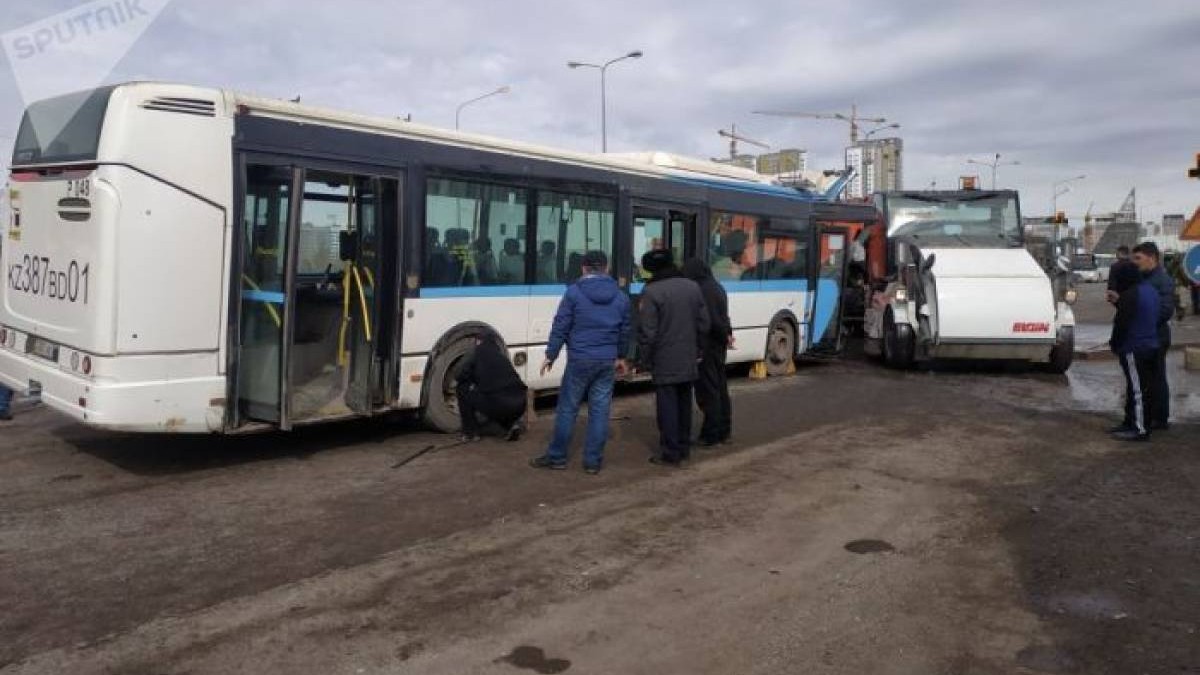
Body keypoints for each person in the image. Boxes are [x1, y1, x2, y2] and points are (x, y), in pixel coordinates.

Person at [530, 250, 631, 475]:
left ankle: (557, 457)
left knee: (567, 409)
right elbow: (625, 330)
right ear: (607, 268)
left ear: (583, 268)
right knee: (600, 411)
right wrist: (621, 356)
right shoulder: (620, 296)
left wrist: (551, 354)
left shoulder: (573, 293)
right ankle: (593, 462)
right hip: (606, 361)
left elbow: (561, 325)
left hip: (579, 360)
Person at [638, 249, 710, 467]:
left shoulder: (651, 292)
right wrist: (699, 349)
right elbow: (704, 323)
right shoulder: (692, 287)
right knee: (684, 403)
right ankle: (684, 447)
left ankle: (670, 452)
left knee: (667, 407)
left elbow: (648, 332)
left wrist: (643, 360)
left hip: (664, 358)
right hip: (688, 355)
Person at [682, 258, 733, 446]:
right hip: (718, 345)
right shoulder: (717, 286)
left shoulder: (702, 289)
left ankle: (712, 433)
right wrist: (727, 334)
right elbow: (724, 317)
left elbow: (710, 321)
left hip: (708, 345)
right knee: (720, 388)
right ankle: (724, 430)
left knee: (708, 391)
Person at [1108, 263, 1159, 441]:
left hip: (1134, 347)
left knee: (1138, 391)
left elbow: (1122, 323)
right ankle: (1130, 422)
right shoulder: (1150, 290)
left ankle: (1140, 429)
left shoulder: (1130, 295)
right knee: (1138, 387)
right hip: (1151, 345)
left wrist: (1114, 344)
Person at [1131, 242, 1173, 430]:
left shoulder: (1162, 280)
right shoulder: (1143, 278)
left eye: (1138, 258)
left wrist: (1142, 320)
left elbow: (1165, 310)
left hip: (1156, 337)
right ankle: (1147, 416)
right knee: (1145, 379)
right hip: (1142, 337)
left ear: (1151, 258)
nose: (1135, 262)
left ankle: (1159, 418)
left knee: (1156, 378)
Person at [455, 334, 527, 442]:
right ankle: (511, 425)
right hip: (521, 403)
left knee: (462, 388)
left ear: (479, 341)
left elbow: (458, 374)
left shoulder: (476, 352)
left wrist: (471, 378)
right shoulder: (501, 355)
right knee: (498, 396)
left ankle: (471, 433)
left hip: (499, 402)